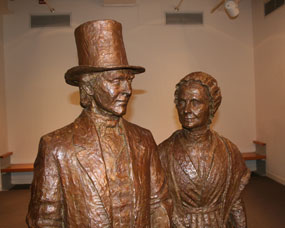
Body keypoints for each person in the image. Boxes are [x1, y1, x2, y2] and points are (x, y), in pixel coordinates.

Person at [27, 20, 171, 228]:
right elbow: (45, 220)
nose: (127, 89)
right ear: (89, 86)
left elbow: (160, 204)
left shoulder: (144, 139)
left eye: (129, 80)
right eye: (115, 81)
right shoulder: (57, 147)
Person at [158, 71, 250, 228]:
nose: (186, 110)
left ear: (211, 106)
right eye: (181, 102)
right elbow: (157, 207)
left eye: (195, 102)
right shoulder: (163, 152)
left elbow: (235, 203)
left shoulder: (229, 152)